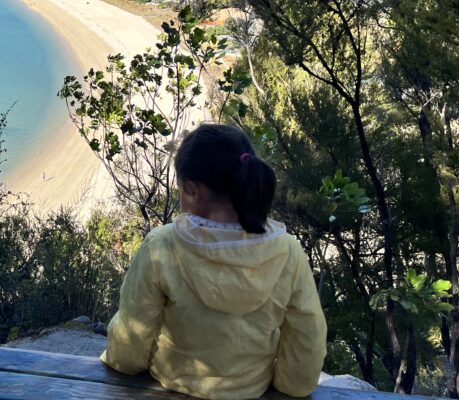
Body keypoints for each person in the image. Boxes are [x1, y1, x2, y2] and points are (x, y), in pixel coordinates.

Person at [101, 123, 327, 400]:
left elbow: (133, 334)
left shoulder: (162, 245)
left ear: (191, 189)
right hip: (250, 389)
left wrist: (123, 361)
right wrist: (292, 385)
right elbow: (307, 332)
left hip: (172, 384)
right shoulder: (286, 250)